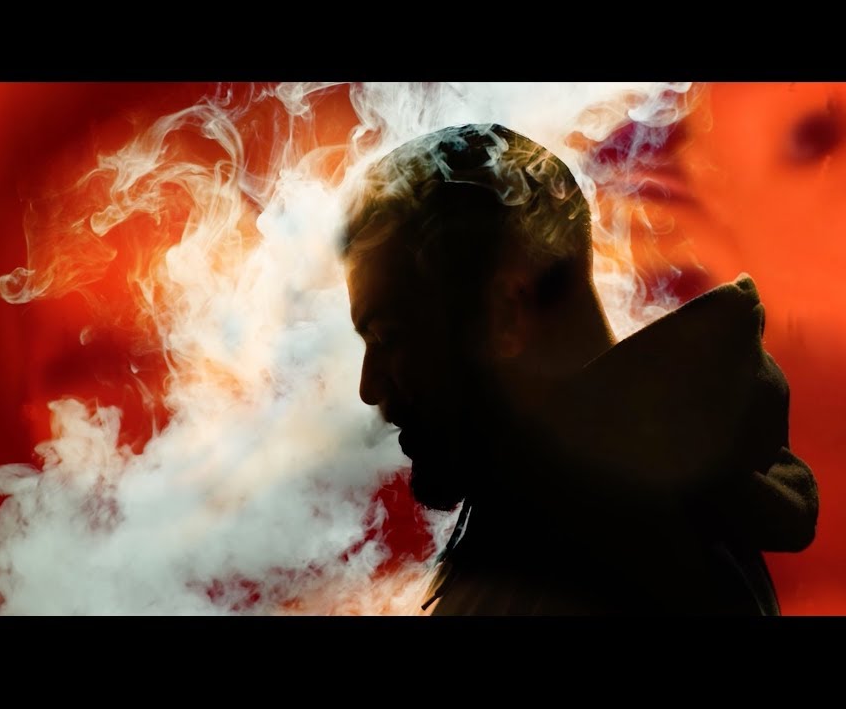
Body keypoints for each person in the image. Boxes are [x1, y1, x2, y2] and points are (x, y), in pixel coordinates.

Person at [339, 123, 820, 615]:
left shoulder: (601, 561)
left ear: (506, 313)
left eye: (388, 337)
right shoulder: (581, 528)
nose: (369, 387)